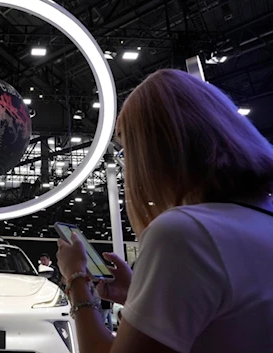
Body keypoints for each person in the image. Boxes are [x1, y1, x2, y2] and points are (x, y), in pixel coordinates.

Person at [56, 69, 273, 353]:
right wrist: (139, 295)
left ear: (153, 151)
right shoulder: (260, 220)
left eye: (127, 150)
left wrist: (76, 279)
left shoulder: (185, 233)